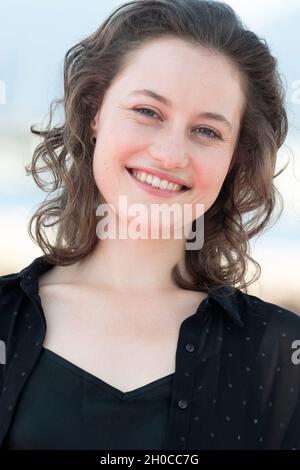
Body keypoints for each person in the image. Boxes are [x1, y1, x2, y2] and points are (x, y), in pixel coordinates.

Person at [0, 0, 300, 451]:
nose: (170, 154)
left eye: (207, 131)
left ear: (236, 157)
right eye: (148, 111)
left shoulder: (280, 355)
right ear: (95, 111)